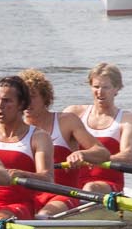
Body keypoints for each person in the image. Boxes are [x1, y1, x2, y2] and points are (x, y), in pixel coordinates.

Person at [0, 73, 53, 223]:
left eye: (7, 101)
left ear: (21, 104)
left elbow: (48, 179)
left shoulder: (39, 137)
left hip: (18, 205)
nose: (0, 105)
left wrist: (24, 174)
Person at [20, 69, 95, 213]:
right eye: (23, 98)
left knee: (43, 215)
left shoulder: (66, 121)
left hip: (63, 195)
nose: (27, 102)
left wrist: (82, 154)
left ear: (45, 97)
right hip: (29, 198)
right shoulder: (16, 130)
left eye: (32, 96)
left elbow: (101, 152)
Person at [61, 62, 132, 194]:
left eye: (106, 87)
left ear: (117, 89)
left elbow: (128, 156)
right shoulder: (73, 113)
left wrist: (93, 157)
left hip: (107, 184)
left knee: (90, 188)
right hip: (73, 181)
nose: (100, 92)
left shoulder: (128, 119)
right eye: (96, 87)